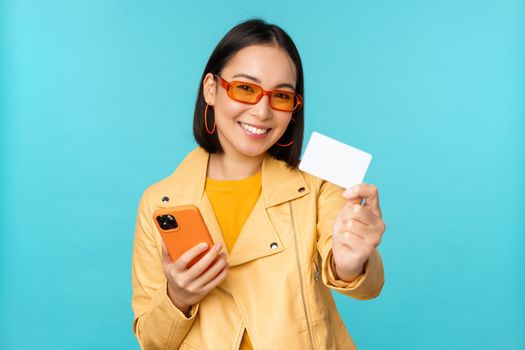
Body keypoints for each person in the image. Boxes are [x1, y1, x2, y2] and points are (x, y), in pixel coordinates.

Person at [131, 18, 386, 350]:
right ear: (211, 89)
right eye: (246, 88)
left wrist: (351, 262)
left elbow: (366, 287)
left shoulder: (320, 183)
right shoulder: (159, 201)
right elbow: (151, 341)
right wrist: (178, 296)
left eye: (281, 96)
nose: (263, 111)